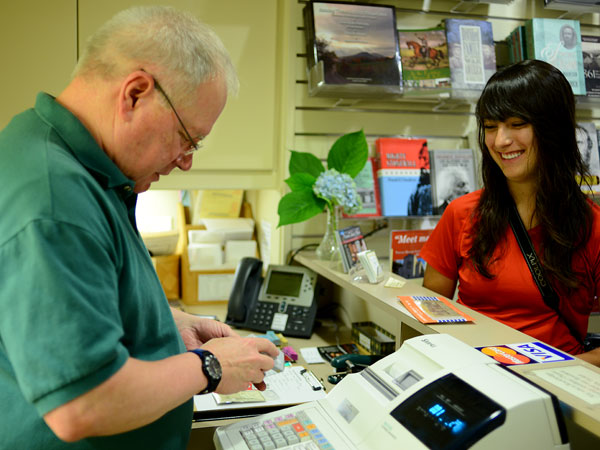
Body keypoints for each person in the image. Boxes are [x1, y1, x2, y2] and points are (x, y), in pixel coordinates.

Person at [0, 6, 279, 449]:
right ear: (135, 94)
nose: (186, 161)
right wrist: (209, 366)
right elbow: (82, 404)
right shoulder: (54, 199)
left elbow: (62, 310)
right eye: (187, 138)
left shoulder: (70, 160)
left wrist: (165, 323)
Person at [420, 59, 600, 368]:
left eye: (517, 124)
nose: (501, 141)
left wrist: (560, 374)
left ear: (553, 129)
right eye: (490, 127)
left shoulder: (593, 226)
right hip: (468, 379)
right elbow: (428, 315)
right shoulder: (462, 213)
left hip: (553, 390)